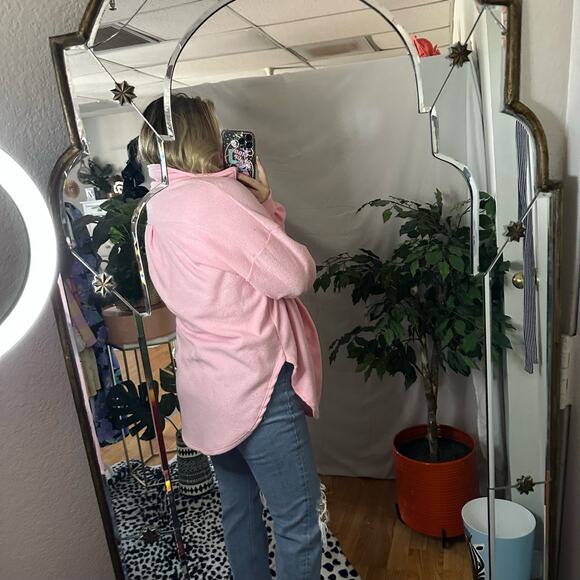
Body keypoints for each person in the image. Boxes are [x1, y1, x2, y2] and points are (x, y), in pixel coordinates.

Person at [139, 94, 323, 580]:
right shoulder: (217, 198)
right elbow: (293, 274)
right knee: (297, 523)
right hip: (255, 384)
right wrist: (262, 201)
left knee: (240, 512)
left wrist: (257, 205)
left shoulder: (158, 205)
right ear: (201, 134)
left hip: (208, 386)